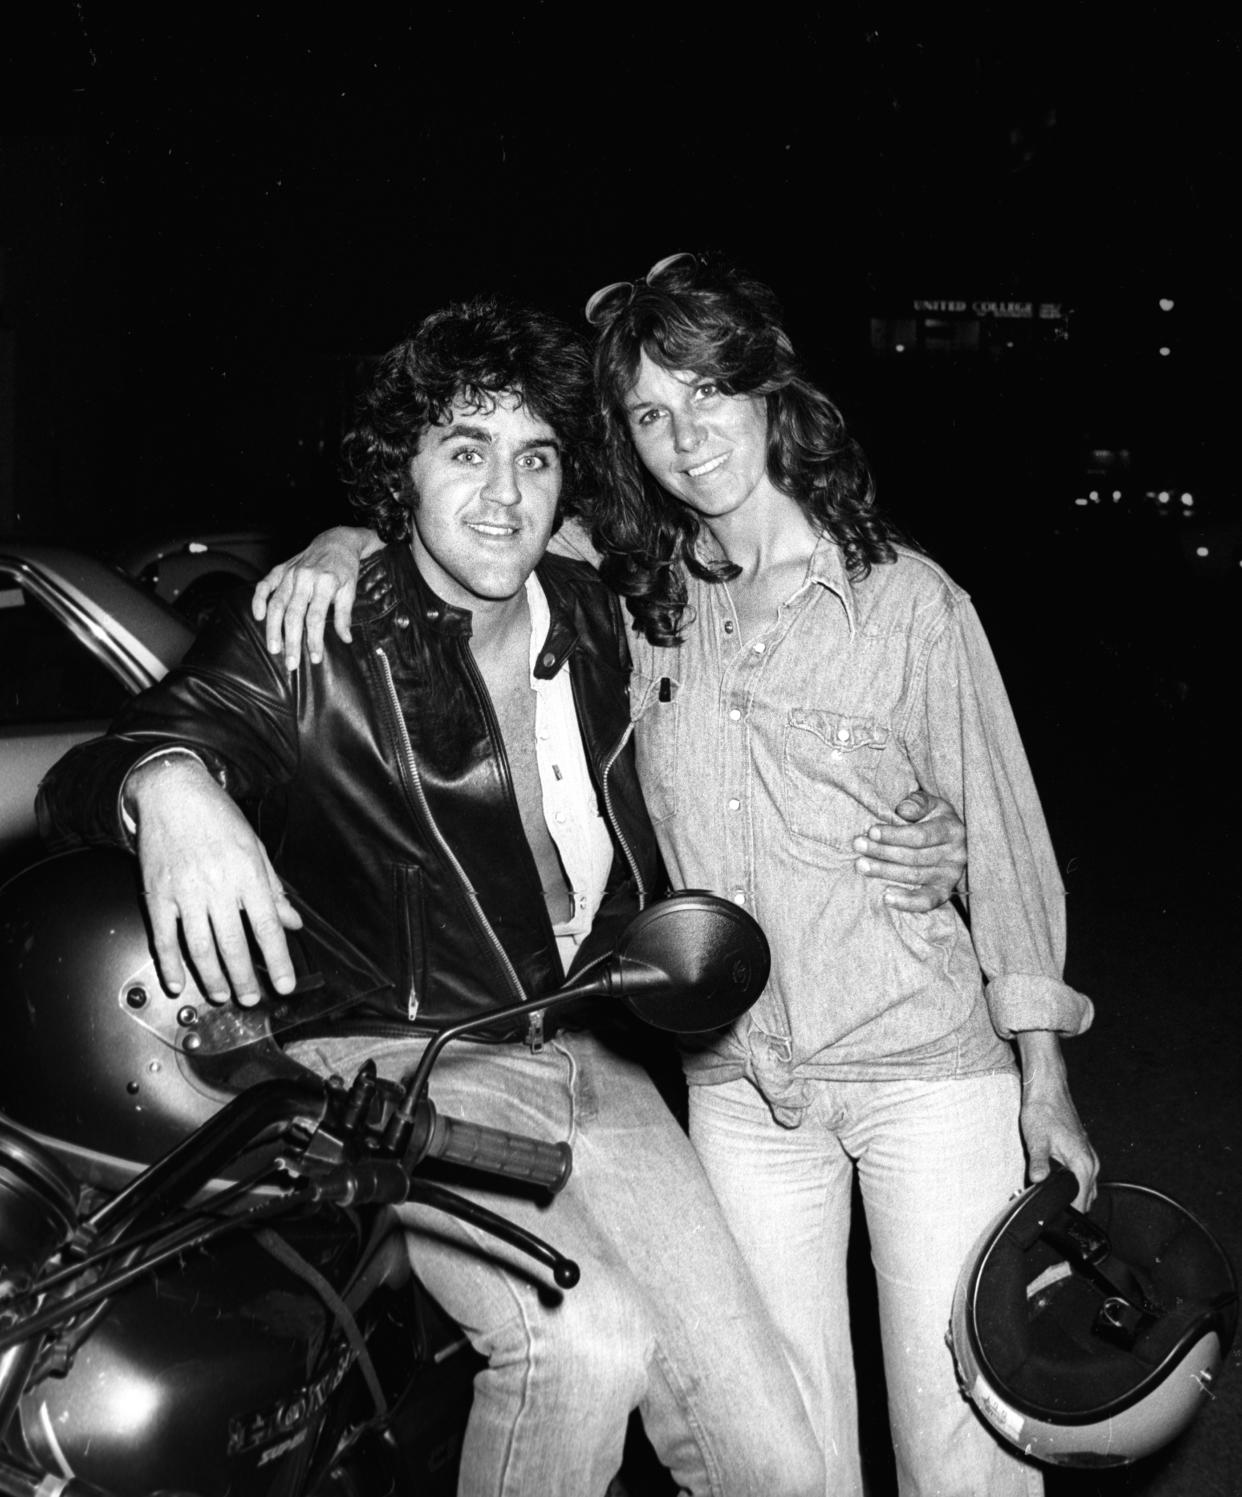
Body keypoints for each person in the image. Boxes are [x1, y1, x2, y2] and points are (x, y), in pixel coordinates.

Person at [258, 254, 1099, 1497]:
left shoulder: (912, 605)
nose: (685, 435)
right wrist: (336, 543)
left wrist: (1046, 1074)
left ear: (770, 393)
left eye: (708, 392)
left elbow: (1011, 840)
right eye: (650, 413)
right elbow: (473, 528)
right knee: (786, 1449)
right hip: (745, 1089)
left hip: (924, 1068)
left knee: (961, 1448)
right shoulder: (640, 600)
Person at [40, 295, 837, 1497]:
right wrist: (170, 786)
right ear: (398, 476)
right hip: (413, 1062)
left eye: (536, 457)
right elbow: (90, 770)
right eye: (465, 452)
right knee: (580, 1344)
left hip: (594, 1052)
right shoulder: (317, 634)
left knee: (777, 1455)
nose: (504, 495)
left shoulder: (596, 609)